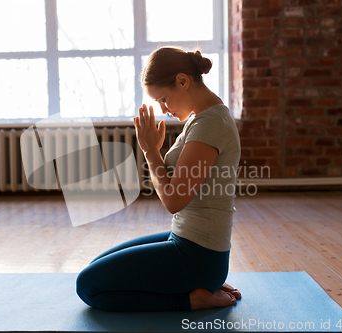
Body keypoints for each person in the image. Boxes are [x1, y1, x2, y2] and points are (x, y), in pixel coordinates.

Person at [76, 46, 241, 312]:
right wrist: (152, 152)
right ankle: (199, 283)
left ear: (183, 81)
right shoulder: (200, 118)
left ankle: (190, 298)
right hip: (188, 242)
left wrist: (151, 152)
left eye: (163, 99)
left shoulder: (210, 123)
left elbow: (174, 200)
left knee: (88, 286)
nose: (164, 108)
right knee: (95, 268)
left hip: (198, 255)